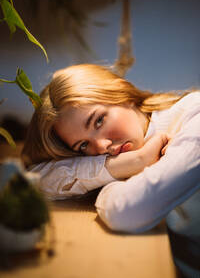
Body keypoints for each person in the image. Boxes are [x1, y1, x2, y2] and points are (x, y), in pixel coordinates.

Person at [22, 64, 200, 277]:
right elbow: (37, 178)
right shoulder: (128, 154)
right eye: (83, 145)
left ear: (122, 94)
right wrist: (131, 162)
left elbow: (126, 212)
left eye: (98, 120)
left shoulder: (193, 114)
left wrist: (107, 187)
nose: (101, 146)